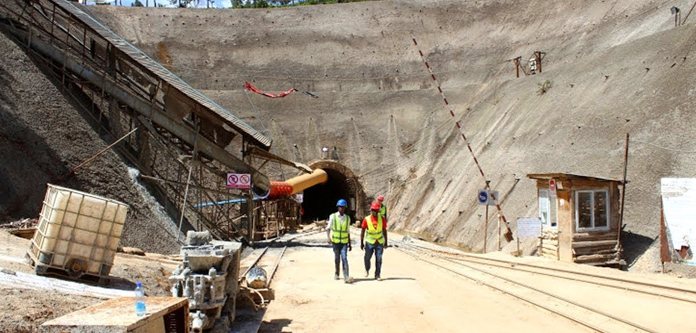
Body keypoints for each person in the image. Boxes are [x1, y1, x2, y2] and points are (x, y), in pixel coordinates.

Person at [326, 199, 353, 283]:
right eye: (340, 207)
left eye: (342, 207)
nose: (341, 208)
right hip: (335, 242)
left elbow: (348, 231)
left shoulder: (348, 218)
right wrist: (328, 238)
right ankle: (337, 273)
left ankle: (346, 276)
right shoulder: (333, 216)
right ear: (338, 207)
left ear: (345, 208)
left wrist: (350, 243)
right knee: (337, 258)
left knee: (344, 258)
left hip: (344, 243)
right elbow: (328, 228)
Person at [361, 201, 388, 281]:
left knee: (379, 258)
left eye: (376, 210)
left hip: (379, 242)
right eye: (373, 210)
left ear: (378, 211)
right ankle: (367, 269)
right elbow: (362, 231)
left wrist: (386, 241)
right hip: (369, 242)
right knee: (367, 257)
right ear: (371, 210)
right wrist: (362, 242)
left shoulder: (382, 219)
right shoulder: (366, 219)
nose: (374, 212)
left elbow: (384, 230)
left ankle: (377, 274)